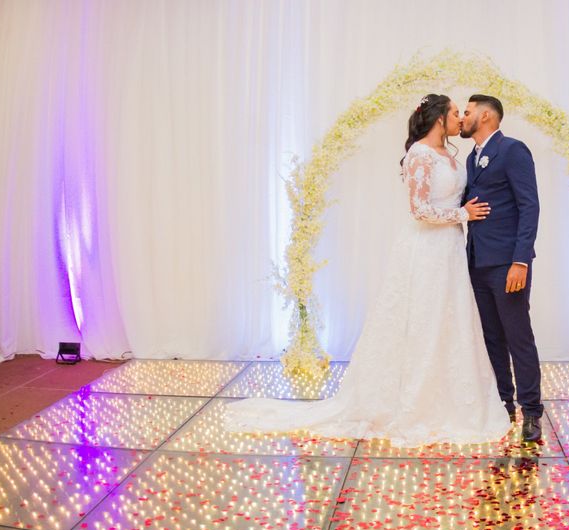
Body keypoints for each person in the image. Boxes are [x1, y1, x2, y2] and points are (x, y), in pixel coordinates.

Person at [224, 94, 511, 447]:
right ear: (439, 119)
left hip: (450, 251)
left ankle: (451, 399)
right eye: (454, 113)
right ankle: (414, 404)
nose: (459, 119)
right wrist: (462, 215)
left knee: (448, 322)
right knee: (421, 320)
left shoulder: (451, 155)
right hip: (425, 250)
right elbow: (419, 210)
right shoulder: (420, 155)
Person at [460, 95, 544, 442]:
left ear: (486, 115)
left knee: (517, 336)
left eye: (466, 112)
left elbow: (529, 206)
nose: (462, 118)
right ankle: (504, 403)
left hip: (508, 264)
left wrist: (520, 260)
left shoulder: (513, 150)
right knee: (492, 337)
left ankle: (532, 412)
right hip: (477, 261)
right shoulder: (469, 158)